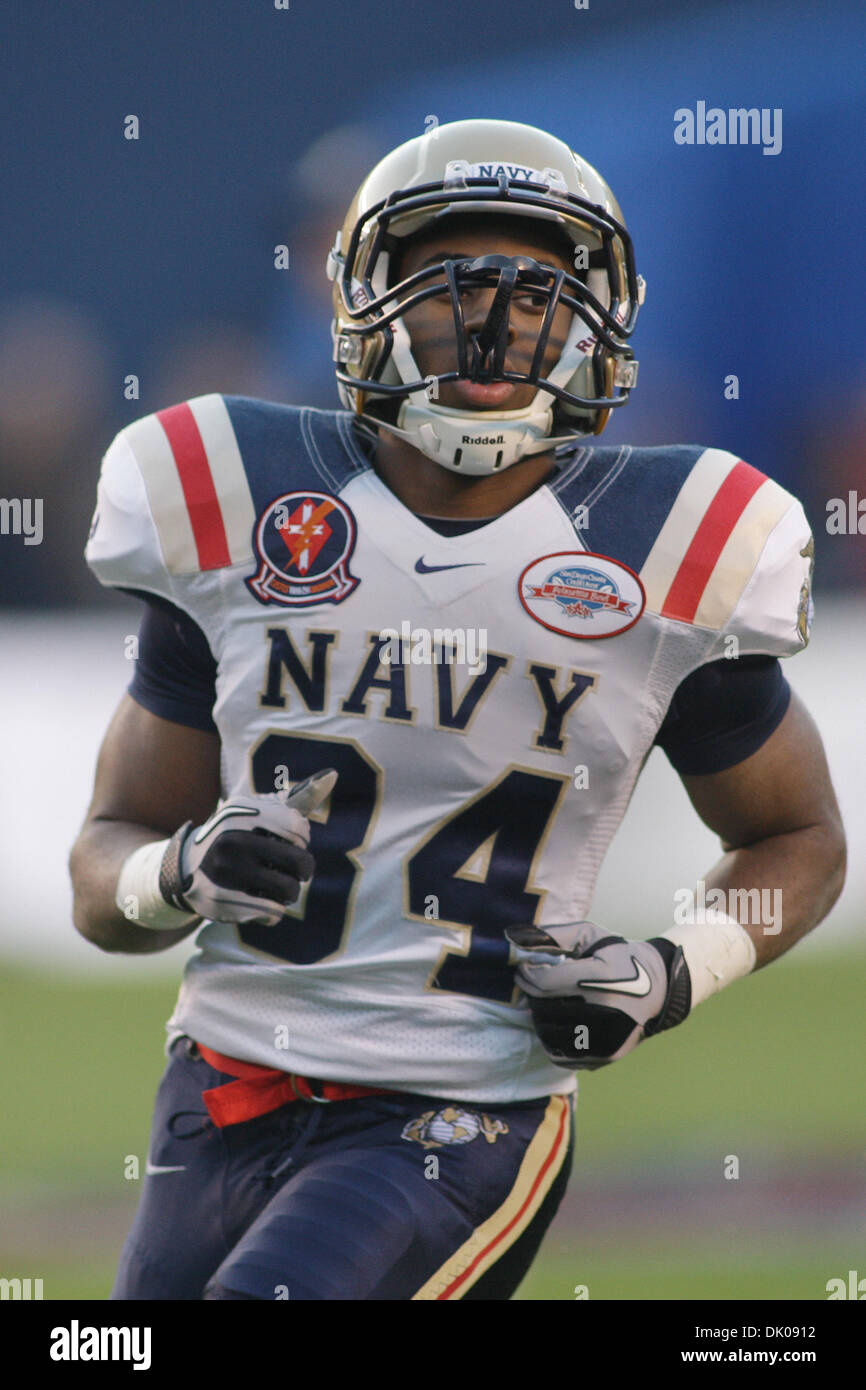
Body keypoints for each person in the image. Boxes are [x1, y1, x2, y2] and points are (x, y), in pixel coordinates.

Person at [70, 118, 845, 1301]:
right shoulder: (233, 501)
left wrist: (670, 970)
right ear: (364, 302)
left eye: (534, 296)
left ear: (597, 318)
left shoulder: (672, 541)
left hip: (458, 1116)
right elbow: (100, 870)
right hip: (216, 1090)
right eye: (447, 291)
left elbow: (797, 837)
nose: (491, 329)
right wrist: (172, 873)